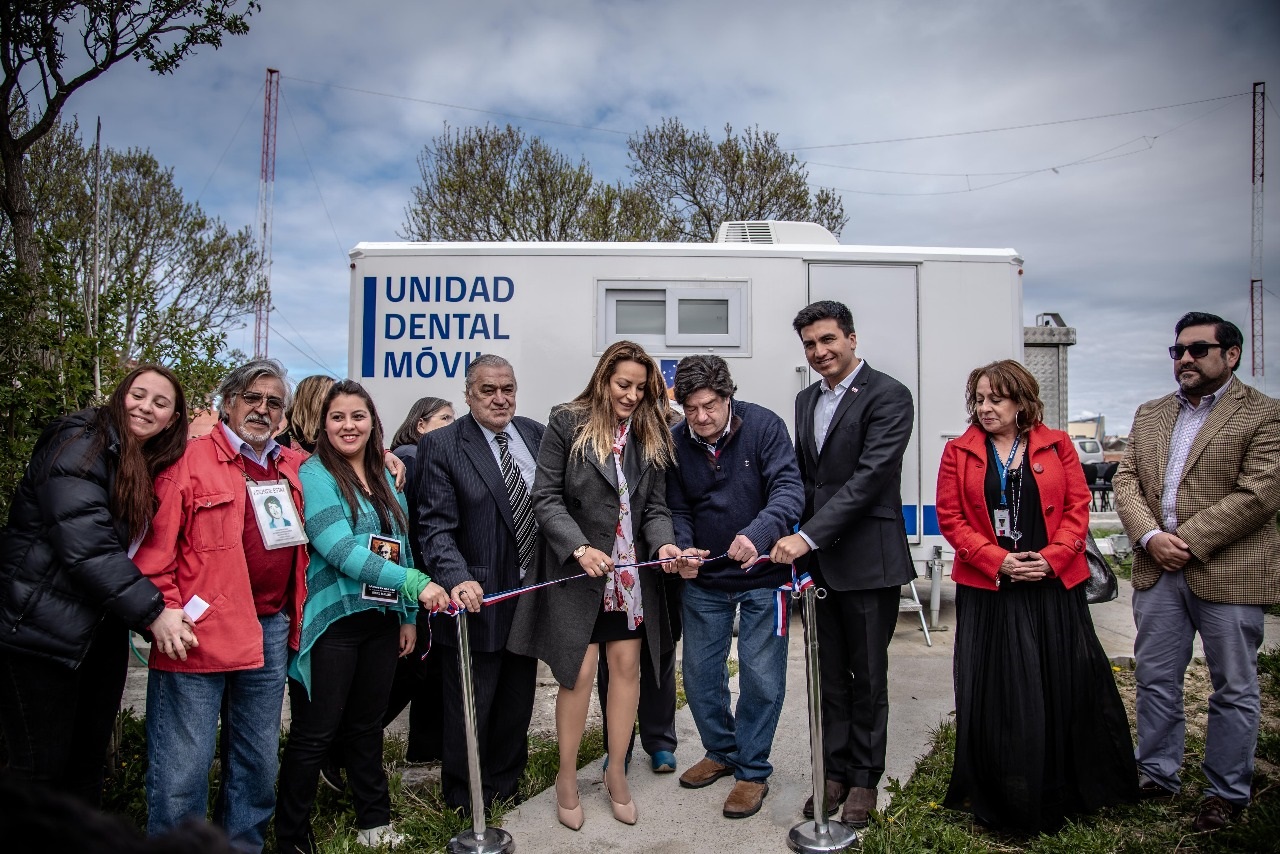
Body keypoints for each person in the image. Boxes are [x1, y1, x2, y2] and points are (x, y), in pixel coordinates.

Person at [936, 359, 1137, 831]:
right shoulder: (958, 452)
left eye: (995, 399)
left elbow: (1077, 507)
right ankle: (1001, 789)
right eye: (979, 399)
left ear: (1022, 401)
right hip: (990, 588)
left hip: (1051, 586)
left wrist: (1054, 557)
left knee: (1059, 682)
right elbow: (951, 518)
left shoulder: (1058, 444)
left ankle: (1063, 788)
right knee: (999, 689)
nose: (985, 407)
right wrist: (996, 560)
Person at [1114, 311, 1280, 833]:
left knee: (1233, 685)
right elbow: (1125, 481)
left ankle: (1225, 791)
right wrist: (1149, 537)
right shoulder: (1151, 414)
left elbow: (1260, 494)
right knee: (1156, 676)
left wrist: (1183, 541)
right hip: (1157, 570)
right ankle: (1157, 772)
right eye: (1178, 350)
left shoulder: (1264, 414)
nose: (1185, 358)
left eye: (1198, 349)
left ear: (1231, 354)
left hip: (1230, 571)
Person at [0, 365, 195, 807]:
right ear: (119, 395)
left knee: (86, 768)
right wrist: (153, 611)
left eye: (160, 403)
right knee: (39, 769)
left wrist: (384, 456)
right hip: (38, 630)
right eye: (138, 395)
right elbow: (86, 546)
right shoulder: (79, 445)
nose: (146, 407)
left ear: (173, 418)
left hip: (96, 629)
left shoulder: (137, 457)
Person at [136, 359, 310, 851]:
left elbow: (347, 454)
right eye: (252, 398)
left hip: (269, 629)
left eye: (274, 402)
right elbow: (154, 553)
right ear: (228, 403)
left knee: (256, 760)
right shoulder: (187, 461)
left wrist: (385, 452)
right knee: (182, 766)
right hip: (195, 631)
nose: (262, 409)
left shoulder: (291, 464)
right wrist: (162, 613)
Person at [509, 341, 682, 830]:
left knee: (627, 667)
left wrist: (664, 545)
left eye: (640, 388)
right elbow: (544, 497)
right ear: (604, 378)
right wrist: (579, 549)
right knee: (578, 674)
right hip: (578, 570)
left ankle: (616, 774)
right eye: (622, 384)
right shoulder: (567, 421)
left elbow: (655, 508)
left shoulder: (651, 432)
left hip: (628, 573)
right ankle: (566, 777)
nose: (630, 396)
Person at [274, 380, 450, 853]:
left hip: (381, 619)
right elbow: (339, 548)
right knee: (315, 733)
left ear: (373, 422)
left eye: (358, 416)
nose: (348, 425)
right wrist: (416, 586)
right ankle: (291, 835)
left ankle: (374, 823)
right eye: (338, 417)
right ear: (323, 424)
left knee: (366, 727)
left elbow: (404, 546)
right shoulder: (316, 474)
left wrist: (407, 614)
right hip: (334, 622)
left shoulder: (388, 474)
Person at [769, 300, 914, 828]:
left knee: (868, 677)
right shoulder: (806, 399)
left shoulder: (890, 395)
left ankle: (864, 779)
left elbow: (870, 478)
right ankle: (832, 770)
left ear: (851, 338)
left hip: (870, 561)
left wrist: (807, 535)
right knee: (827, 675)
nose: (819, 352)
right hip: (821, 567)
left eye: (828, 340)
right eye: (810, 344)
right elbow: (810, 480)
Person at [665, 355, 804, 819]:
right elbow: (678, 506)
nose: (701, 418)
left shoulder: (765, 426)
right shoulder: (676, 440)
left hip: (765, 578)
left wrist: (759, 534)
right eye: (691, 409)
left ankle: (752, 770)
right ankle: (721, 752)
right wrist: (683, 548)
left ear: (728, 396)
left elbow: (789, 491)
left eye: (710, 406)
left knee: (761, 677)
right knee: (701, 676)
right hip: (706, 580)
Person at [415, 358, 542, 814]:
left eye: (508, 388)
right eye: (488, 389)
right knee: (471, 706)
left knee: (516, 702)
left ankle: (506, 784)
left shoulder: (534, 433)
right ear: (468, 393)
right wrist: (455, 576)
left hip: (530, 598)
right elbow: (434, 527)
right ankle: (465, 796)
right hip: (476, 599)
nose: (499, 398)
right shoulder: (443, 445)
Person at [281, 375, 335, 453]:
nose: (337, 399)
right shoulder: (283, 443)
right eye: (331, 394)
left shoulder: (334, 437)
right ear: (312, 398)